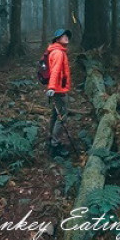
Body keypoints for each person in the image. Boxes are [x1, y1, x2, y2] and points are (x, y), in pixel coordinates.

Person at [46, 28, 73, 157]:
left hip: (56, 88)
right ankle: (55, 145)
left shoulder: (56, 51)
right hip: (58, 89)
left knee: (54, 115)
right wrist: (51, 87)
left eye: (67, 36)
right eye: (63, 36)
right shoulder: (58, 53)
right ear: (57, 39)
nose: (66, 37)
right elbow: (55, 71)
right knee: (62, 117)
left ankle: (50, 139)